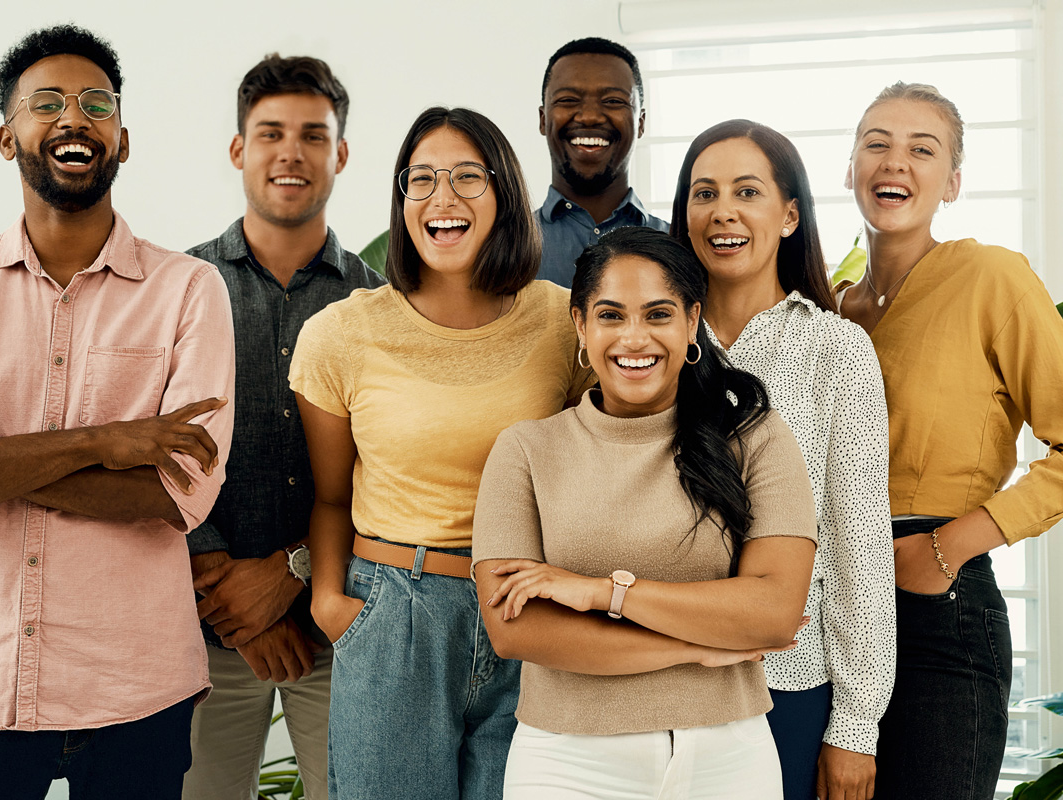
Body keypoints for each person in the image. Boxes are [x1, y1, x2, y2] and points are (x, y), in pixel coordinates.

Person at [0, 25, 235, 800]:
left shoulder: (188, 292)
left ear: (122, 139)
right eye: (47, 104)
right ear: (8, 137)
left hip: (134, 687)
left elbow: (177, 496)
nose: (74, 118)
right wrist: (107, 440)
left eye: (96, 104)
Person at [289, 106, 594, 800]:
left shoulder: (561, 320)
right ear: (401, 203)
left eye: (465, 177)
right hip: (394, 611)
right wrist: (335, 607)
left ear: (504, 194)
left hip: (528, 607)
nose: (442, 198)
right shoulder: (341, 334)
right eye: (420, 179)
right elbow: (332, 495)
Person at [472, 227, 818, 799]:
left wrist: (603, 593)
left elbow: (775, 610)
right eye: (611, 315)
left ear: (691, 324)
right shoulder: (526, 450)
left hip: (728, 756)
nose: (635, 338)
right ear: (581, 326)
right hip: (566, 763)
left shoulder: (756, 438)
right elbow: (516, 628)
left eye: (658, 314)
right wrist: (696, 649)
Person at [837, 81, 1063, 800]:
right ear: (849, 168)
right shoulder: (828, 305)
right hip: (828, 608)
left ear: (953, 183)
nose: (893, 162)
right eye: (876, 143)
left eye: (921, 149)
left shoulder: (993, 278)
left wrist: (951, 548)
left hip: (939, 607)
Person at [669, 120, 895, 800]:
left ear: (790, 214)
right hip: (656, 677)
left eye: (747, 191)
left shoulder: (838, 351)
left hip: (788, 686)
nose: (723, 211)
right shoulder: (647, 341)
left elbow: (859, 545)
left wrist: (855, 728)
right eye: (704, 193)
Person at [182, 54, 383, 800]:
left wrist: (292, 573)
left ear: (341, 155)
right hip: (204, 632)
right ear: (239, 150)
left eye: (312, 134)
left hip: (339, 630)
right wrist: (231, 598)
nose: (290, 152)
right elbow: (155, 452)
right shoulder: (181, 289)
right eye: (270, 133)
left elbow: (390, 468)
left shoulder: (379, 306)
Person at [535, 37, 668, 288]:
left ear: (640, 123)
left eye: (613, 101)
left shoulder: (681, 245)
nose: (590, 117)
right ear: (543, 119)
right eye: (568, 100)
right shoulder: (502, 247)